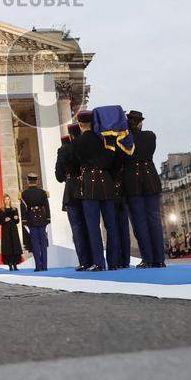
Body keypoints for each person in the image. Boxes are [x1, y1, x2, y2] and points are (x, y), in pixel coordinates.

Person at [73, 110, 117, 271]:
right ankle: (113, 261)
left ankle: (99, 262)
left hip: (88, 184)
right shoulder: (105, 139)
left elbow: (75, 163)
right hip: (105, 182)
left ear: (80, 124)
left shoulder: (77, 142)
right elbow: (111, 160)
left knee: (93, 226)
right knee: (111, 225)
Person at [120, 110, 165, 269]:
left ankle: (147, 258)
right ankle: (159, 258)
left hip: (132, 183)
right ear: (140, 122)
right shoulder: (150, 136)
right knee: (154, 220)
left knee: (139, 222)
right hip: (150, 180)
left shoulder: (124, 140)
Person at [55, 125, 92, 271]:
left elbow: (58, 176)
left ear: (70, 135)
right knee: (90, 225)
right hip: (87, 188)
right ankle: (96, 259)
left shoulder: (64, 150)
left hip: (71, 190)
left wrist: (67, 176)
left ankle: (84, 261)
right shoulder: (84, 146)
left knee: (77, 228)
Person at [19, 173, 51, 272]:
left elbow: (23, 209)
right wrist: (48, 219)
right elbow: (46, 207)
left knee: (35, 244)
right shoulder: (43, 192)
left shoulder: (24, 194)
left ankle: (38, 266)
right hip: (42, 219)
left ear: (28, 181)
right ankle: (45, 266)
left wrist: (24, 222)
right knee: (43, 244)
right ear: (36, 181)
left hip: (31, 220)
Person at [0, 195, 23, 271]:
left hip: (13, 229)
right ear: (3, 201)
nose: (7, 201)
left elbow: (17, 221)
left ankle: (15, 264)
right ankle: (10, 265)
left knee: (15, 245)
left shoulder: (15, 209)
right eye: (5, 199)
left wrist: (16, 218)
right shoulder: (1, 210)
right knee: (7, 247)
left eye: (8, 199)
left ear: (10, 200)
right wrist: (5, 220)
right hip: (5, 230)